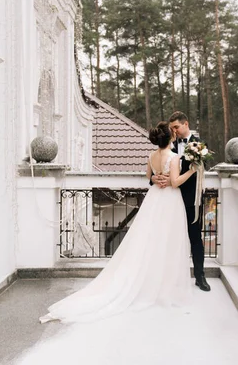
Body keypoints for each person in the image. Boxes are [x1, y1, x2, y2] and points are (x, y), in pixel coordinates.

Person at [40, 122, 196, 324]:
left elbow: (149, 176)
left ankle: (153, 284)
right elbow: (175, 182)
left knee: (149, 241)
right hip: (170, 201)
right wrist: (192, 170)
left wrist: (157, 177)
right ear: (170, 138)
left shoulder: (152, 156)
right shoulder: (174, 157)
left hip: (155, 198)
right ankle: (163, 288)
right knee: (167, 242)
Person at [152, 111, 211, 292]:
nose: (174, 130)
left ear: (186, 124)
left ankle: (200, 277)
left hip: (190, 199)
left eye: (176, 127)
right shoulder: (168, 144)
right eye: (171, 128)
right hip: (169, 199)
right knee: (168, 238)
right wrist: (154, 179)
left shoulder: (200, 145)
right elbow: (157, 171)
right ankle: (169, 277)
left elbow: (200, 170)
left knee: (195, 237)